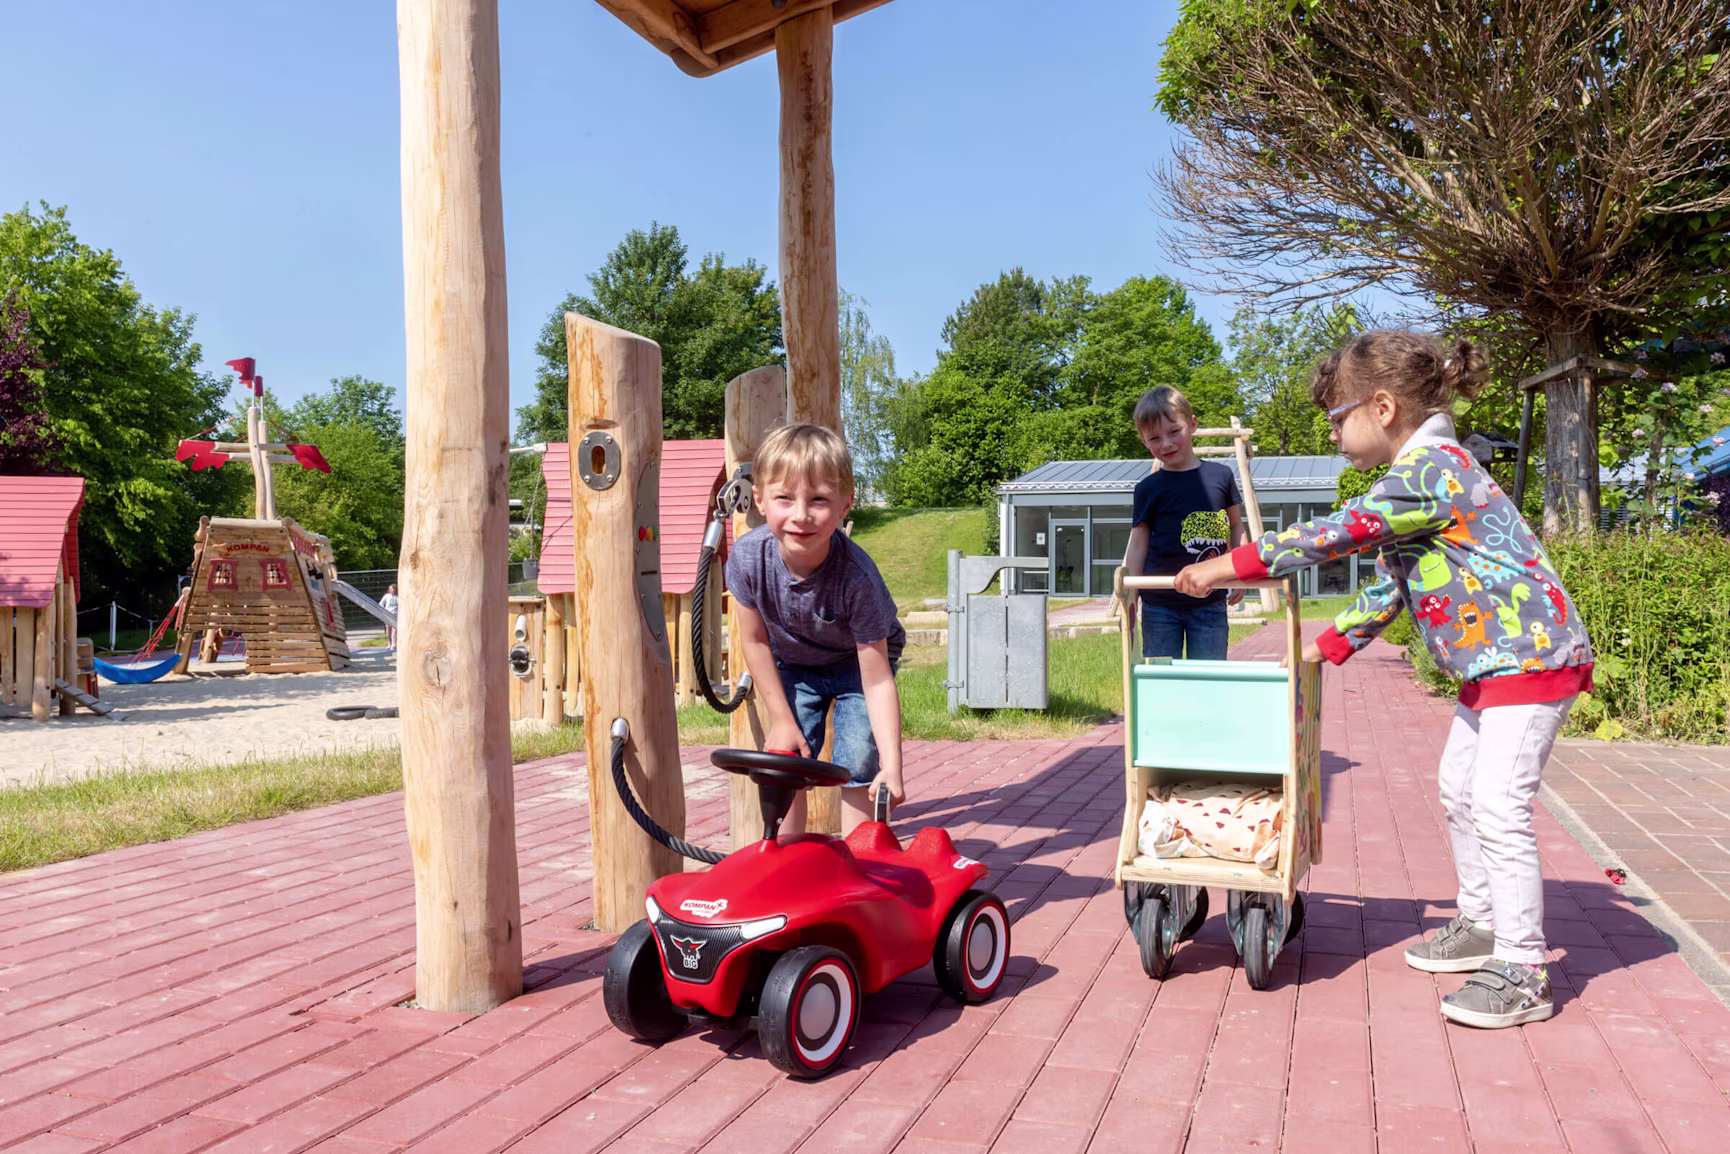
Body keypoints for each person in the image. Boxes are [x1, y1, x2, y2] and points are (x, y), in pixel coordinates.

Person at [1173, 330, 1594, 1029]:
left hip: (1531, 658)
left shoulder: (1432, 470)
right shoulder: (1419, 478)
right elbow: (1392, 585)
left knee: (1496, 803)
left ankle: (1523, 969)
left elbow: (1337, 532)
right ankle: (1484, 924)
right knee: (1460, 789)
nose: (1334, 433)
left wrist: (1228, 565)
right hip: (1494, 664)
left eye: (1338, 418)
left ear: (1383, 406)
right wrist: (1324, 648)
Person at [725, 423, 907, 836]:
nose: (801, 515)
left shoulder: (855, 577)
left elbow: (876, 680)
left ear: (846, 503)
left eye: (819, 500)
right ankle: (784, 858)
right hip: (793, 660)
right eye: (784, 498)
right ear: (760, 500)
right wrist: (781, 719)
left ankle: (862, 858)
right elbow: (753, 641)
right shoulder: (749, 559)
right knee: (783, 756)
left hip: (857, 665)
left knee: (859, 753)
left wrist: (893, 767)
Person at [1121, 386, 1246, 660]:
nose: (1166, 444)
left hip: (1210, 600)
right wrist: (1129, 590)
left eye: (1174, 432)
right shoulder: (1147, 488)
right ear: (1143, 441)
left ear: (1192, 424)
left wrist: (1240, 571)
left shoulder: (1221, 476)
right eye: (1154, 438)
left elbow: (1236, 525)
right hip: (1159, 604)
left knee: (1210, 678)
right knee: (1163, 680)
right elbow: (1139, 541)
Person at [379, 584, 400, 650]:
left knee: (395, 629)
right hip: (388, 614)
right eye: (390, 589)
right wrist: (384, 611)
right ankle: (389, 643)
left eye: (393, 589)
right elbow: (381, 603)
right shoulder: (387, 596)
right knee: (388, 630)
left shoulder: (398, 596)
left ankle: (394, 643)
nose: (392, 590)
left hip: (395, 614)